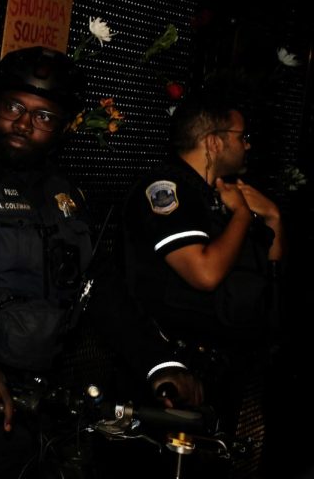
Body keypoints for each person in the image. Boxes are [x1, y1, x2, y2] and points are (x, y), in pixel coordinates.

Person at [0, 47, 199, 478]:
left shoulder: (66, 197)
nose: (23, 124)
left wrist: (160, 362)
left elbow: (99, 287)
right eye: (13, 107)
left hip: (37, 411)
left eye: (43, 116)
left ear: (64, 127)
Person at [121, 91, 283, 472]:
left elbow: (269, 279)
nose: (246, 146)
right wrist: (242, 216)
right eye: (241, 136)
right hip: (168, 373)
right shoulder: (168, 189)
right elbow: (206, 273)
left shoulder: (220, 194)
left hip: (220, 371)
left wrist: (273, 218)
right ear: (213, 141)